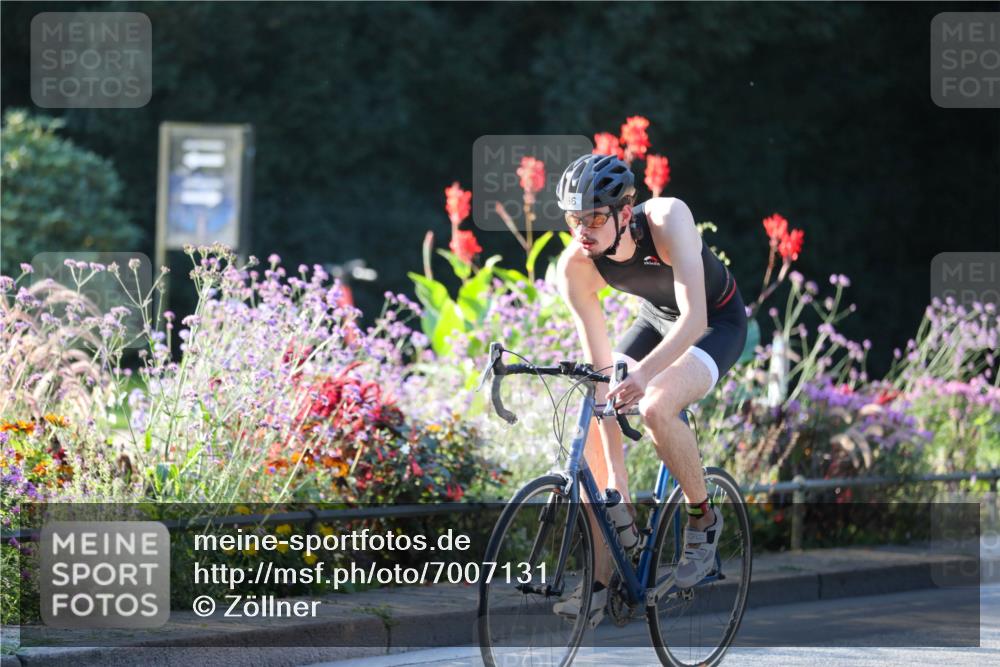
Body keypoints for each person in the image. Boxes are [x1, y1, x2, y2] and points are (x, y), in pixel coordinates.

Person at [550, 153, 748, 626]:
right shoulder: (576, 267)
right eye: (575, 218)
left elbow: (694, 317)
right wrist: (616, 487)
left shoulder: (668, 218)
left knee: (657, 406)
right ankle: (602, 574)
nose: (584, 230)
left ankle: (703, 517)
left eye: (596, 216)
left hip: (714, 323)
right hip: (655, 323)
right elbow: (602, 371)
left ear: (625, 210)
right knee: (596, 395)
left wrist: (643, 376)